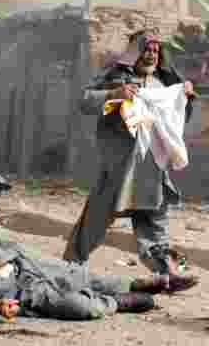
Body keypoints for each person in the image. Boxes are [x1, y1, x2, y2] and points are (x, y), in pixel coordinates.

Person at [0, 178, 194, 322]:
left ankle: (144, 283)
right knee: (80, 307)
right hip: (20, 294)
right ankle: (119, 302)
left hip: (22, 264)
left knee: (78, 275)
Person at [62, 29, 199, 283]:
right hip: (120, 166)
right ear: (135, 53)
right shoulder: (117, 78)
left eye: (156, 51)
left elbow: (177, 122)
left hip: (152, 167)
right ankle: (69, 267)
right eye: (146, 50)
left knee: (154, 223)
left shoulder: (166, 84)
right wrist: (114, 94)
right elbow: (85, 100)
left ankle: (166, 272)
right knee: (95, 220)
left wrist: (185, 98)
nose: (151, 55)